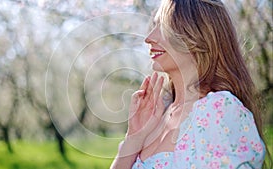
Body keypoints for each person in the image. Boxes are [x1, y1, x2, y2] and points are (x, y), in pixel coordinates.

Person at [110, 0, 270, 168]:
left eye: (163, 26)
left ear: (197, 35)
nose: (149, 38)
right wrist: (134, 136)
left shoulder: (218, 109)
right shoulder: (160, 115)